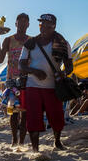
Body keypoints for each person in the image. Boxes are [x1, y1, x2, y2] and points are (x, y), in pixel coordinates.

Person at [19, 14, 73, 152]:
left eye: (47, 26)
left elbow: (69, 67)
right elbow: (21, 65)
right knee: (33, 118)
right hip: (33, 85)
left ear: (54, 27)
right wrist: (35, 71)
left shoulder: (63, 43)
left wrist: (63, 73)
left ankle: (57, 141)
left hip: (53, 86)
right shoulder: (30, 43)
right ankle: (35, 149)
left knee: (56, 116)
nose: (44, 28)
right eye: (41, 25)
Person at [0, 13, 31, 146]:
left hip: (27, 80)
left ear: (28, 25)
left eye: (25, 22)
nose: (22, 24)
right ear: (16, 24)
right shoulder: (8, 40)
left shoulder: (32, 41)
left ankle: (21, 142)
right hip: (12, 81)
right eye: (20, 22)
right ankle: (14, 140)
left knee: (24, 113)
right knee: (13, 112)